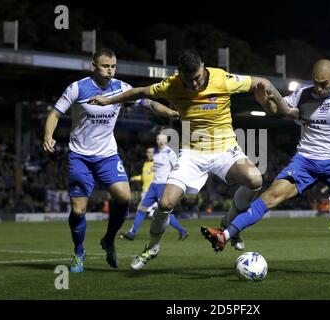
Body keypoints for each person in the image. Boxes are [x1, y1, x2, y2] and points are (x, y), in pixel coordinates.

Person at [89, 49, 296, 270]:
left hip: (225, 148)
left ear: (204, 67)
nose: (195, 84)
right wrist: (107, 100)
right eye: (189, 80)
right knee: (165, 203)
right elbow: (139, 92)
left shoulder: (222, 79)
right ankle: (152, 247)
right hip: (192, 153)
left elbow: (262, 82)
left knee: (255, 180)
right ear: (180, 75)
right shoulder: (172, 84)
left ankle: (228, 224)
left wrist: (288, 110)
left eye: (198, 77)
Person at [201, 59, 330, 277]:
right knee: (269, 197)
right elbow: (277, 110)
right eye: (316, 83)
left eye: (324, 84)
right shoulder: (302, 94)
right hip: (305, 161)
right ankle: (224, 235)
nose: (319, 89)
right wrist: (264, 102)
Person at [43, 48, 179, 273]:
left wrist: (170, 112)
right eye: (105, 66)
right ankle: (79, 252)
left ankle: (108, 239)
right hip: (80, 156)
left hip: (107, 155)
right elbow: (54, 114)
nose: (110, 70)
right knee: (78, 211)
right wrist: (48, 135)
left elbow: (149, 103)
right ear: (93, 66)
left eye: (113, 66)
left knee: (124, 198)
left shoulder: (121, 88)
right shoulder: (77, 88)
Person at [120, 134, 188, 241]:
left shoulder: (170, 153)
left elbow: (176, 168)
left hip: (162, 186)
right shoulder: (155, 152)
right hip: (153, 186)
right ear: (156, 141)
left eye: (163, 140)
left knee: (164, 213)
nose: (161, 141)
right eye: (159, 139)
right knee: (142, 209)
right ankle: (132, 233)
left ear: (166, 141)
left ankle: (182, 231)